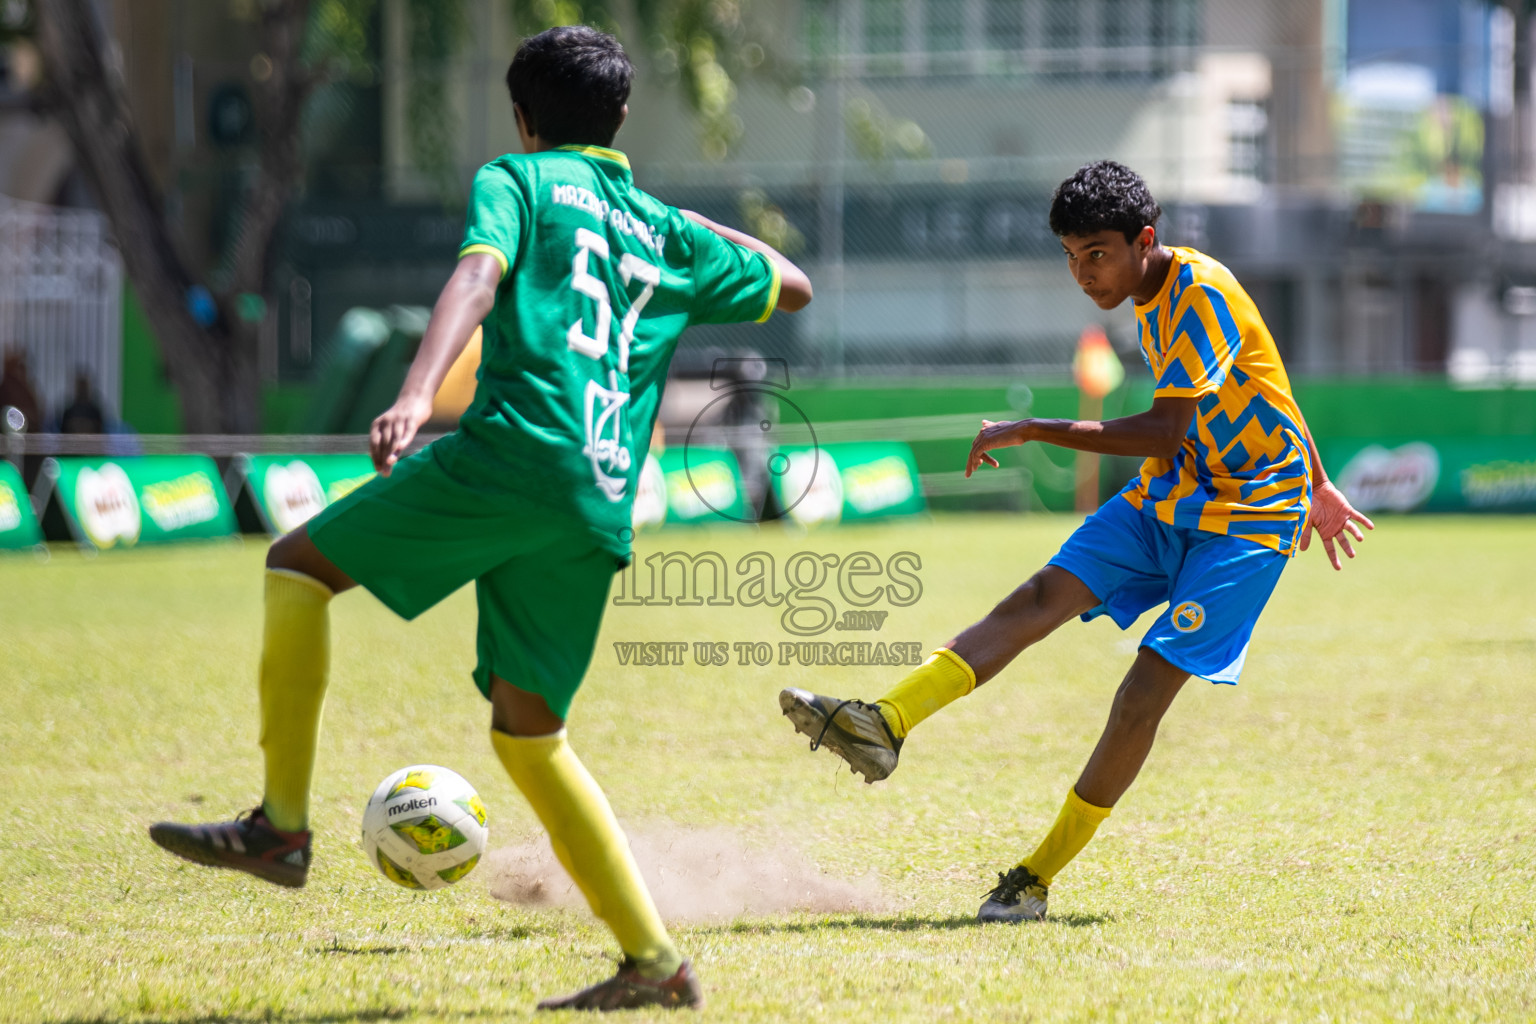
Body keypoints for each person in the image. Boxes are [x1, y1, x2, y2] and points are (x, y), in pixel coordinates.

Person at [149, 26, 811, 1012]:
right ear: (621, 118)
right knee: (530, 736)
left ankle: (281, 825)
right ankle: (656, 964)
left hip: (511, 454)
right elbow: (791, 282)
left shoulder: (521, 178)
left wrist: (418, 392)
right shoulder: (658, 227)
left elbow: (475, 275)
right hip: (597, 495)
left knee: (296, 567)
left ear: (521, 116)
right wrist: (675, 225)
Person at [779, 160, 1370, 925]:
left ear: (1144, 240)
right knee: (1038, 596)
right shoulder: (1149, 291)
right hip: (1177, 488)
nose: (1082, 273)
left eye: (1096, 253)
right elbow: (1268, 383)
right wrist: (1323, 477)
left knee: (1139, 697)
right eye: (1070, 257)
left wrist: (1033, 428)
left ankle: (1034, 876)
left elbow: (1165, 426)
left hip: (1251, 515)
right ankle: (882, 724)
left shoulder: (1202, 294)